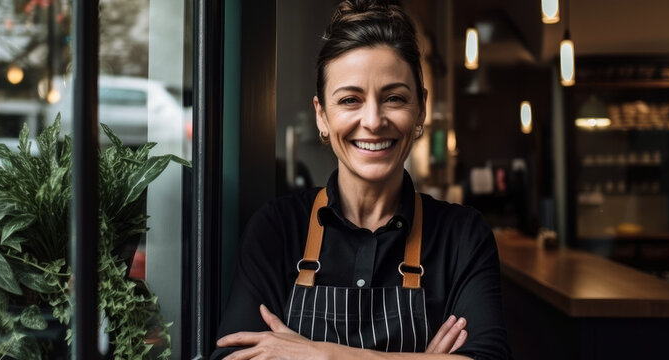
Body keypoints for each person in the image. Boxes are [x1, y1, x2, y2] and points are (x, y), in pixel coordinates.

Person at [212, 0, 510, 358]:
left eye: (394, 98)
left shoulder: (462, 236)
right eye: (350, 100)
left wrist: (324, 355)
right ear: (322, 115)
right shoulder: (276, 230)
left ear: (421, 108)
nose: (373, 120)